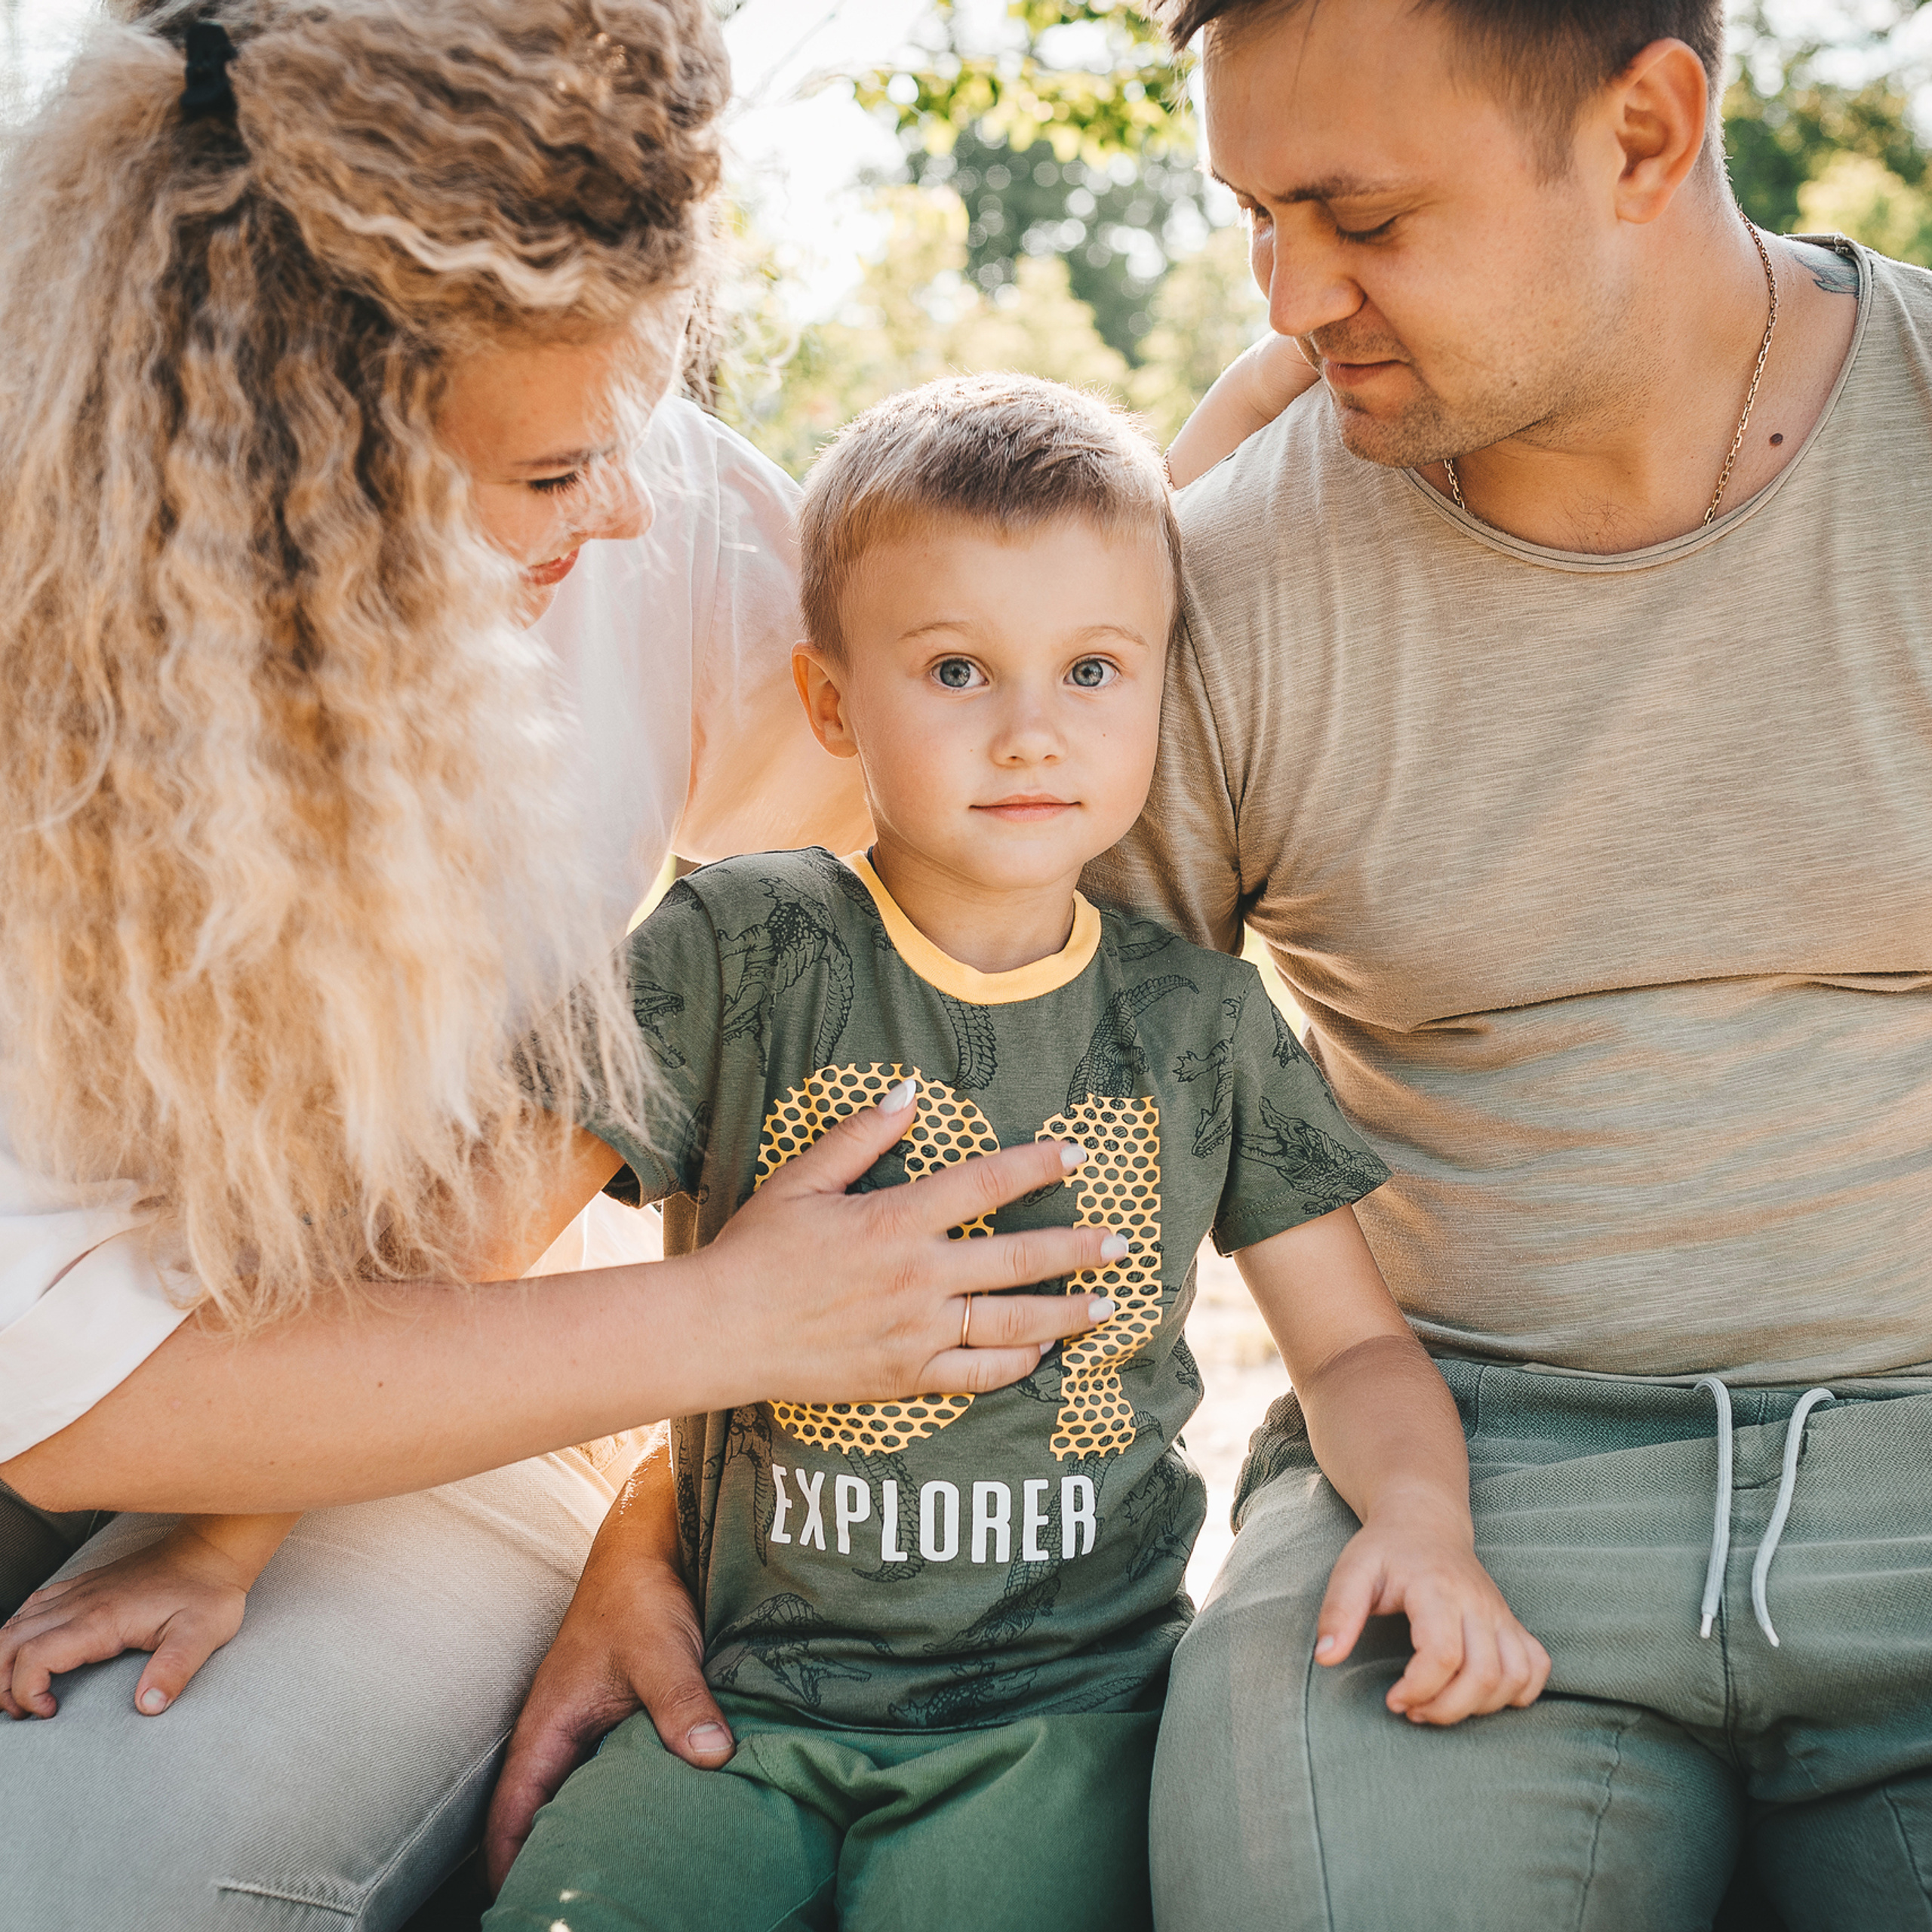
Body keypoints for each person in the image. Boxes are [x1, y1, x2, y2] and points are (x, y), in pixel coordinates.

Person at [0, 5, 1108, 1927]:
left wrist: (671, 1504)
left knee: (79, 1878)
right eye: (540, 479)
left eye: (630, 436)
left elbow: (940, 870)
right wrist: (741, 1328)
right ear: (289, 469)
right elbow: (68, 1382)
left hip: (471, 1397)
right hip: (119, 1419)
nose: (615, 506)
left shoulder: (652, 509)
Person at [472, 374, 1539, 1931]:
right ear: (832, 701)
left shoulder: (1195, 1020)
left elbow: (1355, 1344)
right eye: (956, 666)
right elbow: (464, 1253)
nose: (1031, 729)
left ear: (1160, 686)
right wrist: (228, 1528)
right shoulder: (738, 946)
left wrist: (1419, 1522)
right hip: (736, 1701)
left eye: (1092, 667)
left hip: (1055, 1717)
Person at [1084, 0, 1932, 1926]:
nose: (1291, 296)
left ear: (1641, 132)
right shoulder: (1212, 589)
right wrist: (679, 1516)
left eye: (1358, 217)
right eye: (1251, 217)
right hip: (1450, 1486)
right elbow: (1018, 1105)